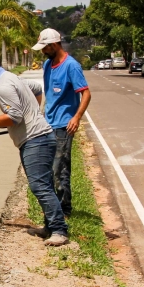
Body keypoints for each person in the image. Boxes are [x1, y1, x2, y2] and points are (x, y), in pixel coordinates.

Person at [0, 50, 69, 247]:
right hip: (40, 137)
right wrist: (35, 114)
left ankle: (59, 230)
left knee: (39, 186)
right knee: (44, 184)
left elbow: (14, 117)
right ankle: (50, 227)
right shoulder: (11, 77)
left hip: (36, 140)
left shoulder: (3, 86)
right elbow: (36, 88)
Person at [32, 28, 92, 217]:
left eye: (44, 47)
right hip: (48, 123)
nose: (42, 51)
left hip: (64, 125)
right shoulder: (47, 65)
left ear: (54, 45)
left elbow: (86, 93)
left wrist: (76, 117)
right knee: (48, 168)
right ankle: (54, 206)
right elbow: (48, 93)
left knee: (60, 168)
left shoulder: (71, 66)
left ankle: (64, 209)